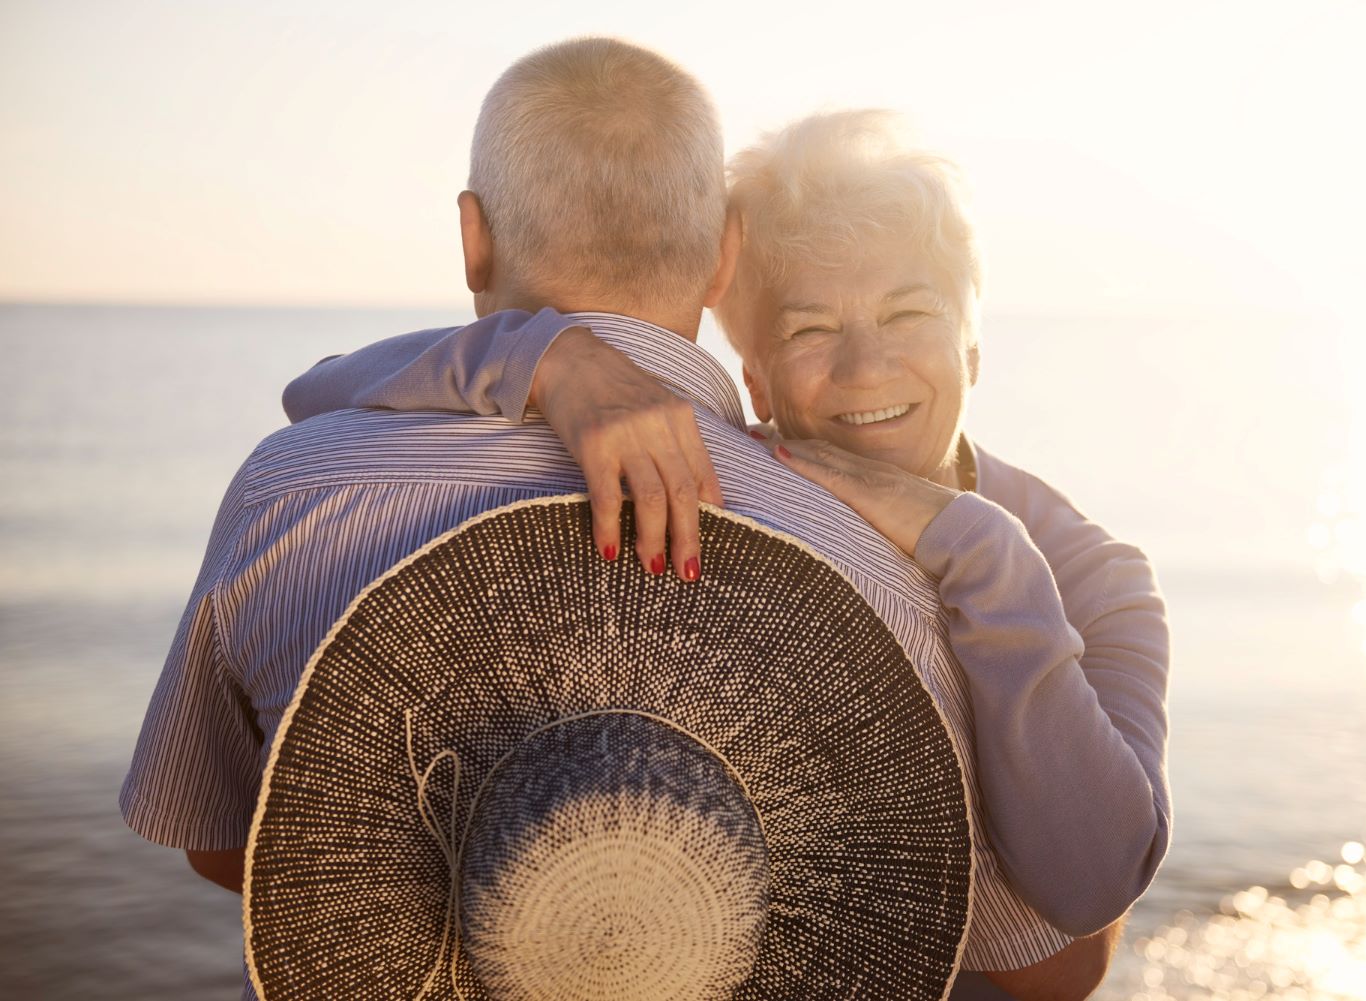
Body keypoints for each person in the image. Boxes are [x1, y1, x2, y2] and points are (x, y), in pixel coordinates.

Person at [119, 39, 1117, 1000]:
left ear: (473, 235)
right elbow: (1034, 960)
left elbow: (221, 839)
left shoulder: (287, 492)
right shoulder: (885, 587)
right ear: (726, 254)